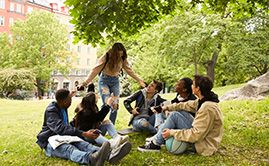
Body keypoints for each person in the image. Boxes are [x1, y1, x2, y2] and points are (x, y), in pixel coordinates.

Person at [138, 75, 223, 156]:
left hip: (204, 145)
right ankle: (158, 138)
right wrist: (165, 108)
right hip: (202, 138)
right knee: (179, 113)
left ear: (198, 88)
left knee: (175, 115)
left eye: (193, 84)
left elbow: (196, 135)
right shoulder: (203, 101)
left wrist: (172, 132)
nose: (191, 86)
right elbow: (183, 105)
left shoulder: (207, 107)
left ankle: (155, 144)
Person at [36, 89, 123, 165]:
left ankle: (110, 155)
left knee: (84, 144)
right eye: (69, 99)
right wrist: (84, 133)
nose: (71, 101)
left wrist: (84, 131)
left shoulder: (61, 106)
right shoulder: (51, 110)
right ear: (63, 101)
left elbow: (66, 127)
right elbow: (60, 128)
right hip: (49, 142)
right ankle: (91, 159)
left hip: (63, 137)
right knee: (69, 149)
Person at [78, 42, 146, 125]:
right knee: (107, 102)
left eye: (122, 54)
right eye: (119, 54)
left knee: (115, 104)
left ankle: (111, 126)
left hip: (115, 82)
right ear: (114, 53)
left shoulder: (122, 59)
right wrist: (85, 83)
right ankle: (99, 124)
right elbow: (95, 70)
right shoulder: (106, 56)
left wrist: (139, 80)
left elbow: (129, 70)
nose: (120, 56)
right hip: (104, 81)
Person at [71, 92, 131, 163]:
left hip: (93, 130)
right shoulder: (86, 111)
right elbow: (98, 117)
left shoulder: (92, 107)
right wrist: (108, 105)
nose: (98, 97)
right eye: (96, 97)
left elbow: (98, 118)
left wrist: (101, 123)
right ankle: (111, 144)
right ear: (92, 100)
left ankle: (117, 138)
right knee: (94, 133)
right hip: (86, 136)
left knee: (107, 122)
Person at [146, 77, 196, 142]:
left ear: (184, 89)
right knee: (160, 110)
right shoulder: (179, 95)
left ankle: (158, 138)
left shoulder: (192, 100)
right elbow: (172, 104)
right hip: (174, 119)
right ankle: (159, 133)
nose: (175, 85)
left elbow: (185, 116)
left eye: (178, 85)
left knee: (173, 114)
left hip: (185, 125)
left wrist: (171, 112)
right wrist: (166, 109)